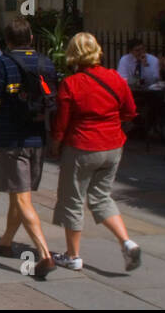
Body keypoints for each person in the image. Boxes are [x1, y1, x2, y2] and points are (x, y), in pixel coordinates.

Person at [0, 17, 58, 280]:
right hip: (37, 137)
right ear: (31, 38)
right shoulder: (46, 62)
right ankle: (5, 242)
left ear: (7, 41)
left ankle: (44, 255)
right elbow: (52, 98)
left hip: (12, 138)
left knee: (21, 198)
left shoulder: (4, 63)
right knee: (18, 195)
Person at [48, 32, 141, 272]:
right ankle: (127, 243)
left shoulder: (71, 83)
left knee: (73, 200)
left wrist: (55, 145)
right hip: (112, 146)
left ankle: (73, 255)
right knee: (101, 198)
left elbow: (62, 123)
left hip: (82, 146)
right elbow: (130, 111)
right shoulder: (115, 78)